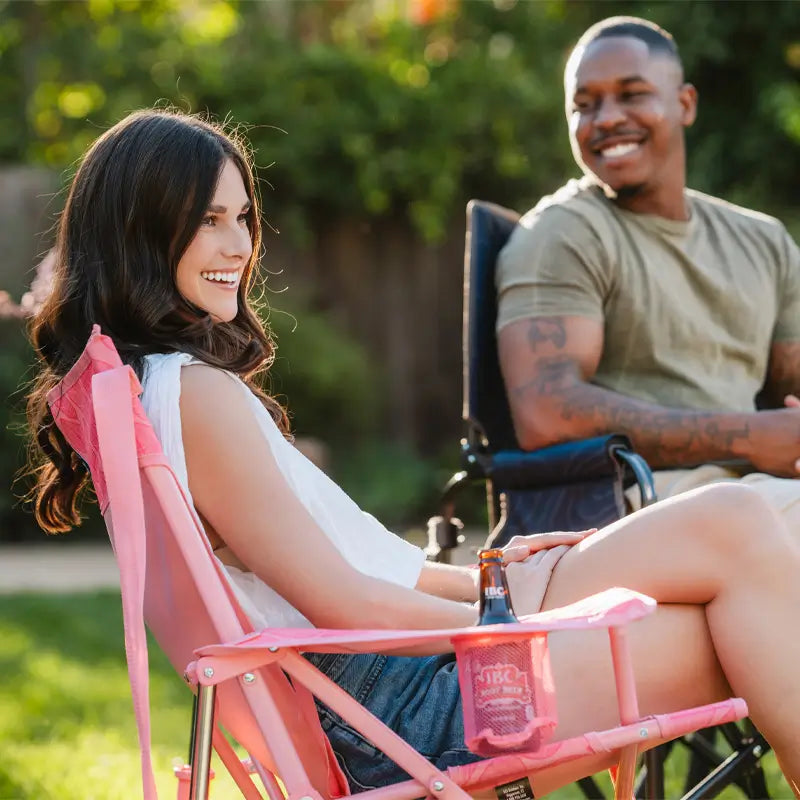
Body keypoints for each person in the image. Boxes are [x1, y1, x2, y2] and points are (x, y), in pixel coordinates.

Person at [24, 109, 800, 793]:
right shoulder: (195, 395)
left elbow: (352, 573)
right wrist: (510, 623)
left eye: (243, 217)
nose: (239, 245)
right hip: (409, 719)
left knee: (744, 516)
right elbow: (347, 606)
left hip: (400, 677)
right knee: (747, 587)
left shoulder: (158, 388)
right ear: (140, 234)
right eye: (207, 221)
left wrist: (490, 580)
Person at [496, 16, 800, 530]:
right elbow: (545, 413)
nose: (606, 118)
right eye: (584, 104)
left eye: (632, 95)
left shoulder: (763, 239)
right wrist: (749, 436)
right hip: (639, 500)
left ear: (685, 104)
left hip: (759, 494)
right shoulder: (562, 234)